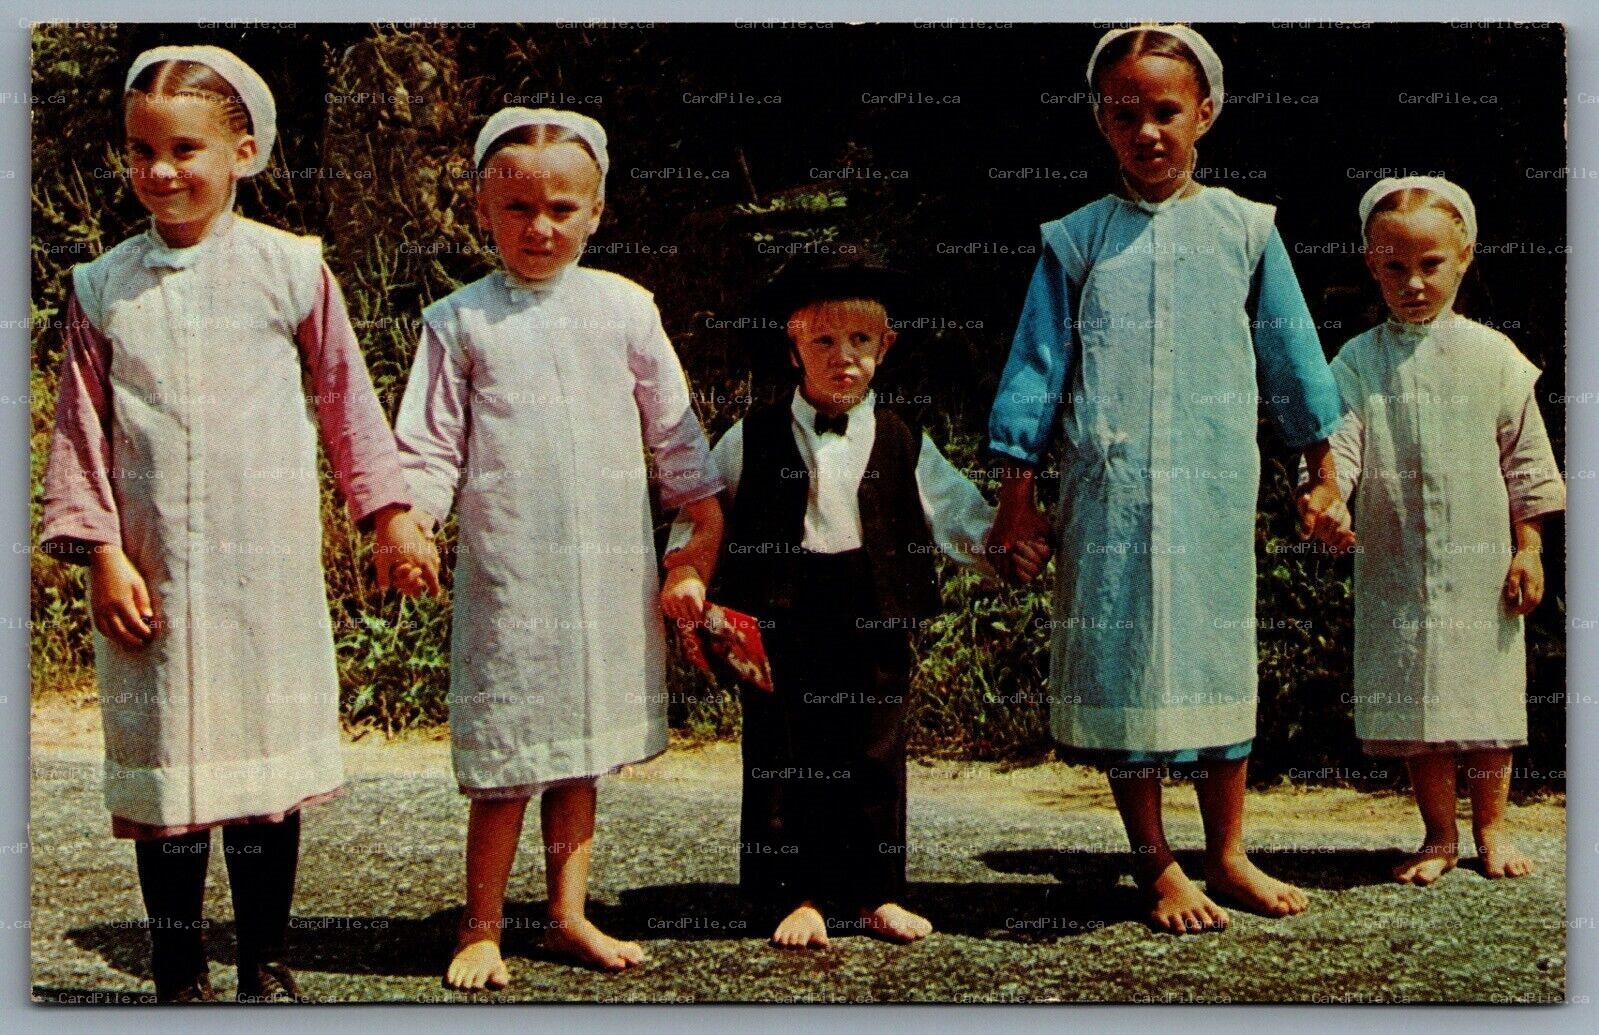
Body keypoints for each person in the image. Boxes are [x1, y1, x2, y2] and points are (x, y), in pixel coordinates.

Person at [38, 45, 439, 1002]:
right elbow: (81, 432)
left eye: (185, 147)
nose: (160, 170)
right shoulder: (103, 286)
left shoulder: (290, 268)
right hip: (154, 567)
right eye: (139, 150)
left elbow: (347, 399)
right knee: (169, 774)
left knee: (263, 765)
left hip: (264, 568)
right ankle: (178, 972)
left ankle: (264, 959)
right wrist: (99, 556)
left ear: (243, 150)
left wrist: (389, 514)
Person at [986, 24, 1349, 934]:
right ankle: (1155, 862)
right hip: (1110, 492)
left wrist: (1320, 472)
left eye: (1164, 112)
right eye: (1124, 115)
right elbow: (1035, 369)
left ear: (1205, 114)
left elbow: (1294, 359)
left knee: (1217, 654)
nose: (1146, 131)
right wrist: (1017, 500)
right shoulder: (1076, 242)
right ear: (1100, 123)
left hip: (1212, 485)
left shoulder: (1245, 230)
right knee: (1124, 659)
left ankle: (1226, 851)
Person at [392, 107, 723, 989]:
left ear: (596, 210)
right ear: (479, 211)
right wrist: (412, 520)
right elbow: (427, 444)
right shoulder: (458, 322)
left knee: (580, 744)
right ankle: (482, 924)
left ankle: (568, 912)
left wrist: (697, 514)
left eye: (561, 209)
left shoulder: (624, 308)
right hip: (511, 567)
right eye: (517, 209)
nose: (540, 227)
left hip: (606, 564)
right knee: (507, 747)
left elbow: (673, 427)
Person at [670, 255, 1040, 948]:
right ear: (792, 346)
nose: (843, 358)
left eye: (860, 342)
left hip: (875, 605)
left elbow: (955, 513)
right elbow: (704, 511)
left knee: (874, 747)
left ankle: (875, 890)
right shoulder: (749, 436)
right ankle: (795, 892)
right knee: (783, 749)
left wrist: (1000, 546)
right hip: (782, 607)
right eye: (823, 342)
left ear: (886, 345)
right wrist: (690, 571)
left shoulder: (905, 437)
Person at [1304, 176, 1564, 885]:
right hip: (1397, 562)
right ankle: (1438, 833)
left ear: (1463, 258)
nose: (1412, 282)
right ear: (1369, 263)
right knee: (1415, 692)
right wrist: (1328, 494)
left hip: (1482, 564)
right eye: (1394, 266)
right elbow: (1341, 445)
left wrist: (1529, 546)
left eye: (1429, 265)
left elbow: (1526, 460)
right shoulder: (1357, 361)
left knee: (1485, 689)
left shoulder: (1494, 358)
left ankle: (1491, 826)